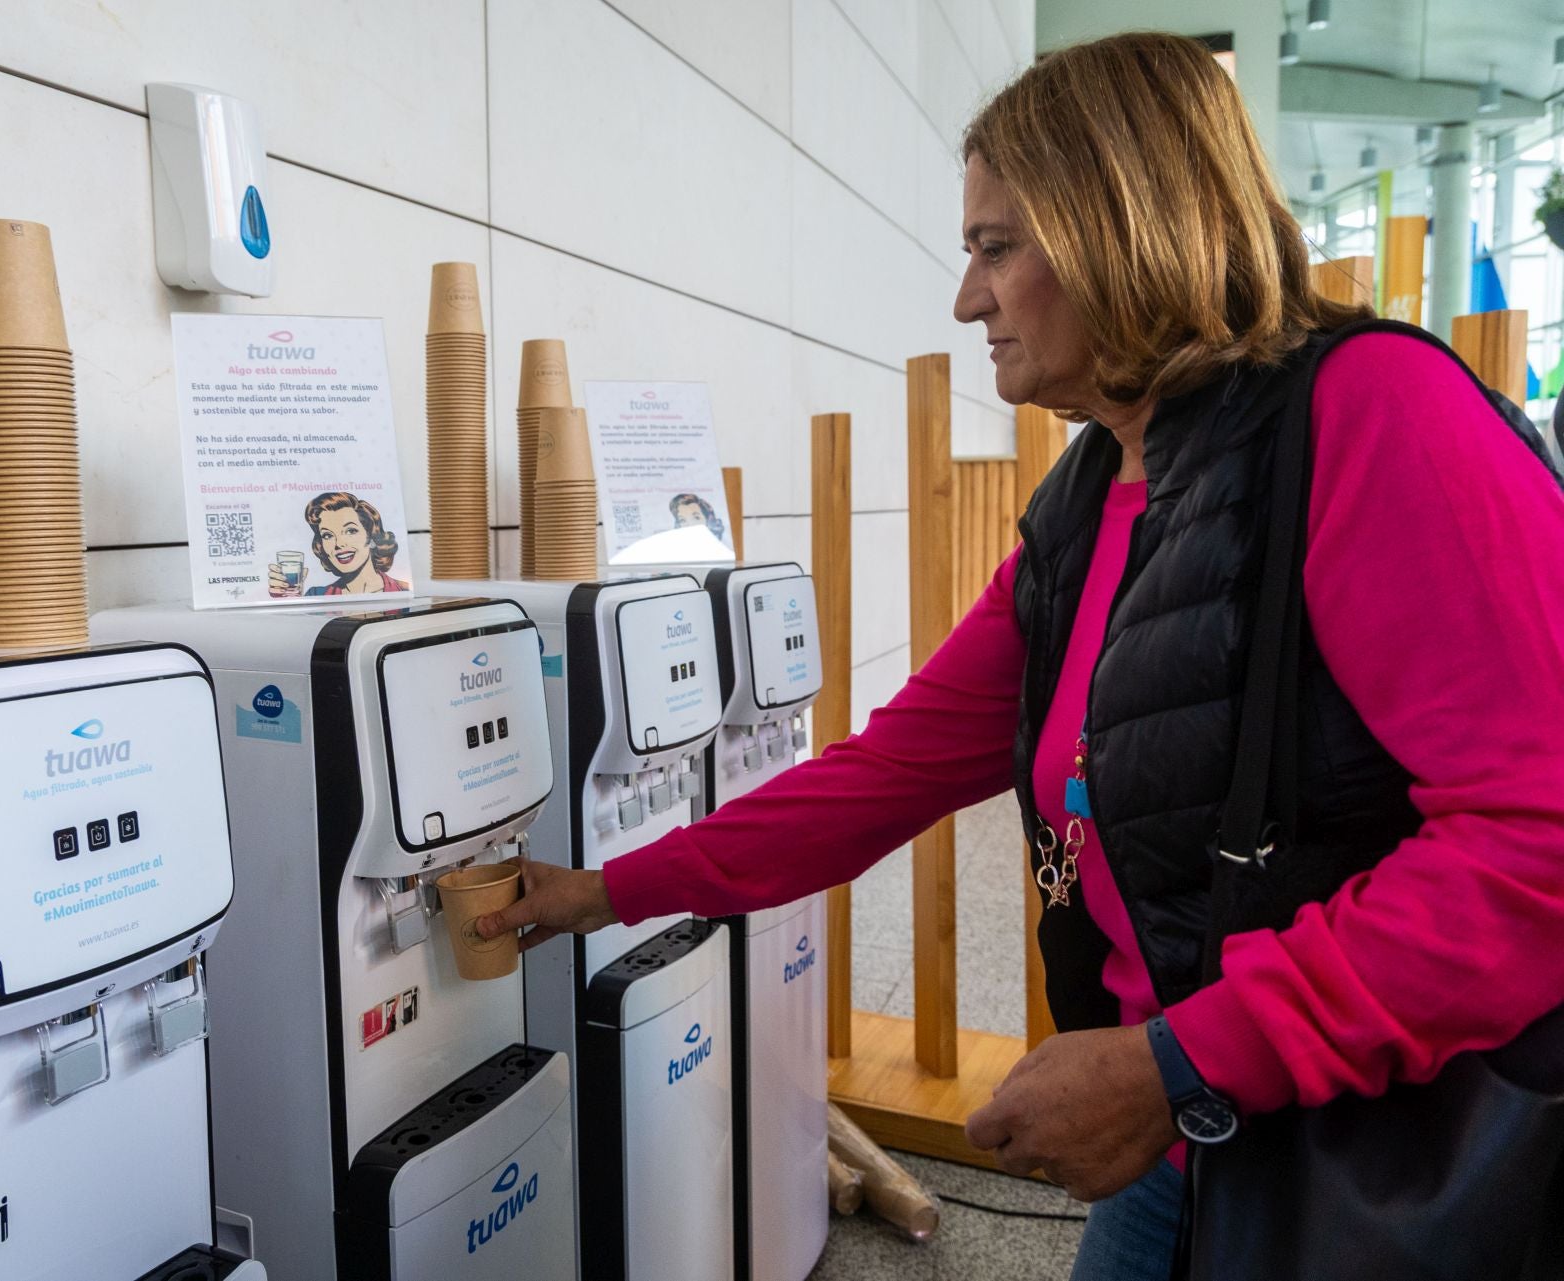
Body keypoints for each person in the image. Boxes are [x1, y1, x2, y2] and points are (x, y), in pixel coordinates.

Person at [472, 30, 1564, 1279]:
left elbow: (1538, 845)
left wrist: (1189, 1059)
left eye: (997, 249)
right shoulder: (1090, 495)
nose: (966, 299)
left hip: (1386, 1155)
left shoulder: (1375, 412)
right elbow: (886, 775)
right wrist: (602, 891)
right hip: (1194, 1128)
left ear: (1123, 227)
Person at [269, 491, 409, 597]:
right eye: (328, 535)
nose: (339, 544)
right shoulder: (316, 596)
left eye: (350, 531)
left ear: (372, 537)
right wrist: (288, 600)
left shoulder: (404, 591)